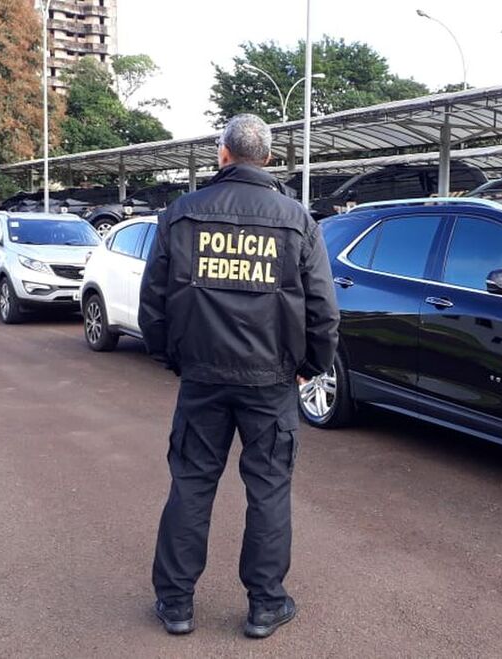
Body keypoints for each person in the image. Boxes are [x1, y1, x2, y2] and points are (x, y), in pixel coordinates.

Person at [138, 114, 339, 639]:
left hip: (202, 378)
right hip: (271, 382)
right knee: (269, 489)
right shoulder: (296, 220)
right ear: (267, 159)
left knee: (191, 484)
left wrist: (173, 359)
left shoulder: (182, 215)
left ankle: (176, 604)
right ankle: (266, 606)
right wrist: (310, 368)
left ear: (222, 154)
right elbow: (323, 312)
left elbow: (153, 307)